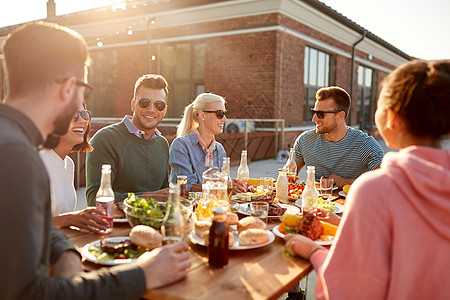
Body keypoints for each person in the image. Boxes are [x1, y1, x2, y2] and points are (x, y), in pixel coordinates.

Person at [0, 21, 189, 299]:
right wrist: (142, 275)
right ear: (67, 88)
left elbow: (36, 225)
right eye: (84, 90)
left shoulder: (18, 143)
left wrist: (66, 253)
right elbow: (28, 294)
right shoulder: (15, 156)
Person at [285, 59, 450, 299]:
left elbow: (352, 290)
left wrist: (314, 254)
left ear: (391, 117)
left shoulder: (375, 189)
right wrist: (344, 223)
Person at [86, 74, 170, 205]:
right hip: (116, 225)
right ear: (133, 105)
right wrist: (148, 197)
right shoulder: (105, 139)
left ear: (164, 110)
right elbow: (94, 199)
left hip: (155, 224)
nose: (151, 109)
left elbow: (164, 195)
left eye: (159, 105)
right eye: (144, 103)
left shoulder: (162, 144)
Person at [293, 86, 384, 188]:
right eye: (314, 112)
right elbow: (288, 174)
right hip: (315, 202)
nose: (314, 119)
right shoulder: (305, 140)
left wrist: (345, 182)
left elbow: (385, 182)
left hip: (351, 203)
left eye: (320, 114)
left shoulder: (365, 145)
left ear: (340, 115)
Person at [40, 102, 108, 233]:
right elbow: (23, 225)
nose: (82, 121)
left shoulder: (69, 164)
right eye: (73, 115)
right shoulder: (37, 160)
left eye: (84, 115)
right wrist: (70, 219)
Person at [169, 93, 227, 190]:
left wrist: (233, 185)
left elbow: (222, 182)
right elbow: (187, 186)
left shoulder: (220, 149)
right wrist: (224, 186)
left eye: (225, 114)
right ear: (202, 115)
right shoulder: (180, 145)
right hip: (186, 204)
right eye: (220, 114)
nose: (225, 119)